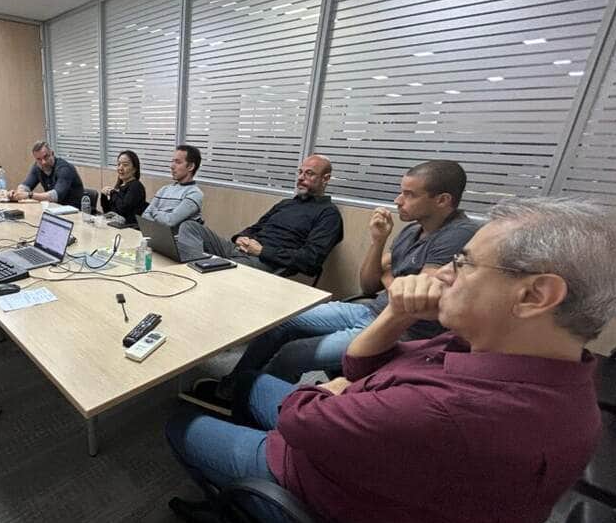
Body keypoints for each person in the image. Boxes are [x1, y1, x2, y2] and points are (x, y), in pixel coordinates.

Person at [167, 196, 615, 523]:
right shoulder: (516, 359)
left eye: (464, 263)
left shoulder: (449, 410)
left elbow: (299, 419)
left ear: (536, 294)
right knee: (248, 384)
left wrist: (333, 394)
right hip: (361, 460)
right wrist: (396, 315)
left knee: (178, 421)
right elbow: (359, 367)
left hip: (325, 507)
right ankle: (242, 485)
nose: (442, 273)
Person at [191, 160, 479, 409]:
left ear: (442, 200)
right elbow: (368, 285)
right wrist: (378, 242)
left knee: (291, 355)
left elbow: (411, 302)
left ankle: (262, 407)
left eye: (409, 194)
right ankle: (235, 386)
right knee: (281, 323)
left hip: (399, 331)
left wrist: (388, 275)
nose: (397, 200)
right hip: (370, 310)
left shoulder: (458, 235)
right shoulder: (413, 230)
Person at [176, 154, 342, 276]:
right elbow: (256, 228)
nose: (300, 178)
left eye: (309, 173)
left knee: (221, 270)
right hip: (242, 249)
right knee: (190, 227)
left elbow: (310, 261)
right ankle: (196, 271)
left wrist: (262, 251)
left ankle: (198, 273)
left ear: (325, 179)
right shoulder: (286, 203)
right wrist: (240, 237)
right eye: (300, 172)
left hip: (264, 262)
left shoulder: (329, 214)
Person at [142, 144, 204, 228]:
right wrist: (161, 217)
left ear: (191, 166)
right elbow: (145, 216)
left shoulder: (194, 193)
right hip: (155, 236)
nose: (171, 166)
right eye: (172, 161)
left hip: (177, 240)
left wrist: (153, 211)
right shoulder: (164, 189)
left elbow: (170, 221)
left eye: (178, 162)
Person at [8, 141, 84, 209]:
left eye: (46, 157)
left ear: (52, 154)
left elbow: (55, 196)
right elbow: (26, 185)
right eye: (39, 159)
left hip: (75, 212)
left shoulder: (64, 168)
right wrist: (17, 194)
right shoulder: (38, 167)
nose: (43, 162)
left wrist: (29, 195)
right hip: (54, 209)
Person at [99, 150, 147, 224]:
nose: (120, 168)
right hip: (115, 225)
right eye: (118, 164)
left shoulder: (136, 187)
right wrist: (104, 195)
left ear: (134, 169)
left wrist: (112, 193)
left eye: (125, 165)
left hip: (129, 229)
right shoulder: (120, 186)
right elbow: (109, 212)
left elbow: (123, 210)